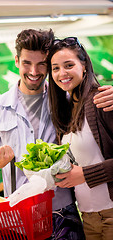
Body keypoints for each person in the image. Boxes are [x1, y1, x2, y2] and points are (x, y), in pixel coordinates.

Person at [0, 29, 113, 239]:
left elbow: (91, 97)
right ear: (17, 61)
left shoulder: (67, 101)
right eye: (27, 63)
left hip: (64, 211)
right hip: (17, 215)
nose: (34, 71)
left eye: (42, 64)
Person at [47, 37, 113, 240]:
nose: (62, 73)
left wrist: (86, 174)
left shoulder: (102, 101)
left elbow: (84, 171)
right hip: (88, 217)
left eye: (69, 65)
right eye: (55, 68)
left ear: (84, 66)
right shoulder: (66, 109)